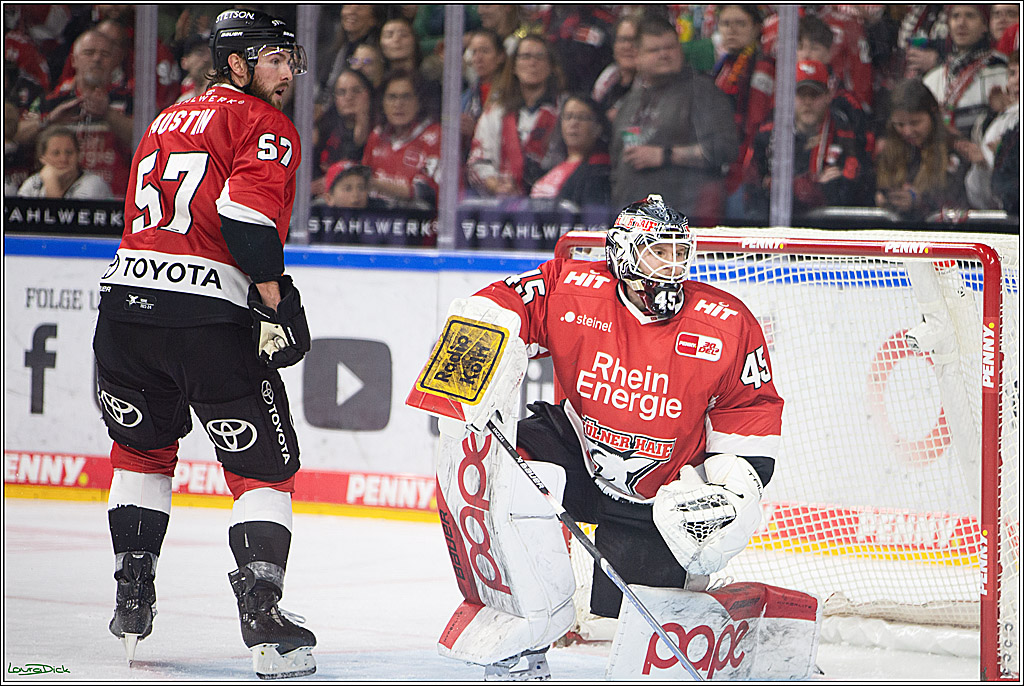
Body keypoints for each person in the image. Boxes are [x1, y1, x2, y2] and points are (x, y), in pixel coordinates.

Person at [423, 194, 781, 677]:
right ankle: (525, 633)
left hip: (661, 495)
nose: (673, 265)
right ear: (624, 253)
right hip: (578, 456)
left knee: (639, 632)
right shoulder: (573, 290)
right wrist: (476, 353)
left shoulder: (726, 321)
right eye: (659, 251)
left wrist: (734, 487)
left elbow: (750, 409)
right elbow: (501, 303)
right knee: (495, 470)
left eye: (680, 252)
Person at [92, 10, 316, 679]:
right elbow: (244, 218)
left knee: (141, 451)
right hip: (206, 321)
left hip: (124, 314)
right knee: (263, 472)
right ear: (238, 63)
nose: (287, 73)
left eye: (289, 59)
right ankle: (263, 613)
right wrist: (277, 296)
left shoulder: (165, 118)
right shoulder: (262, 124)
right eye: (274, 59)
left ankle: (132, 594)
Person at [610, 16, 738, 222]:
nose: (664, 55)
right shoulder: (629, 102)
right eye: (654, 50)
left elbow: (724, 148)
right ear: (637, 56)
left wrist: (666, 155)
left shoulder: (701, 92)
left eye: (670, 47)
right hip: (633, 225)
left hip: (683, 225)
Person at [747, 60, 867, 220]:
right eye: (801, 94)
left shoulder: (844, 133)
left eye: (814, 94)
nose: (808, 102)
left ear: (827, 96)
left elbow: (853, 189)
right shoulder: (767, 135)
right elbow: (752, 188)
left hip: (829, 228)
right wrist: (808, 185)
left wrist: (818, 189)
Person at [465, 34, 564, 197]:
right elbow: (477, 163)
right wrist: (496, 185)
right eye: (525, 57)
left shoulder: (564, 111)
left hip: (550, 205)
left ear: (551, 66)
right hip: (502, 207)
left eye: (540, 56)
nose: (533, 63)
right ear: (514, 66)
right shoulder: (495, 113)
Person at [38, 28, 134, 196]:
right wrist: (49, 121)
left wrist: (107, 114)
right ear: (74, 60)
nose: (97, 59)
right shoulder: (54, 100)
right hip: (61, 198)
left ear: (115, 61)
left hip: (114, 201)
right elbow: (16, 133)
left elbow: (144, 140)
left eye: (104, 54)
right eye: (89, 53)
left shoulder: (129, 99)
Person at [712, 5, 775, 219]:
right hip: (721, 166)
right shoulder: (723, 65)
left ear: (757, 28)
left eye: (740, 24)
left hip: (746, 170)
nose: (732, 30)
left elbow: (756, 122)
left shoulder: (763, 66)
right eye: (726, 24)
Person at [875, 78, 968, 220]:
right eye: (900, 124)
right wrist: (881, 198)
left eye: (915, 123)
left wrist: (919, 201)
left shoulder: (955, 148)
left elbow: (958, 200)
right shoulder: (889, 149)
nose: (907, 131)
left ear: (932, 113)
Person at [923, 4, 1008, 139]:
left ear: (985, 25)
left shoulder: (1002, 72)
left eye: (970, 16)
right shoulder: (932, 78)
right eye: (955, 16)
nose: (961, 23)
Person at [361, 70, 441, 209]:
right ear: (383, 103)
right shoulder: (377, 136)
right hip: (378, 221)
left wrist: (373, 184)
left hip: (419, 223)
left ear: (419, 101)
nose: (398, 104)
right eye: (392, 97)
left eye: (406, 97)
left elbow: (427, 192)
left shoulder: (435, 135)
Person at [961, 49, 1019, 208]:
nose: (1017, 80)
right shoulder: (1000, 123)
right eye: (1013, 73)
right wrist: (982, 166)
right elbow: (982, 200)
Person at [529, 95, 611, 207]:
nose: (573, 123)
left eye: (581, 117)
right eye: (568, 116)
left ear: (598, 127)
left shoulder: (600, 171)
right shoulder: (551, 165)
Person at [312, 67, 375, 197]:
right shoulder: (324, 128)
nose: (349, 97)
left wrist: (362, 123)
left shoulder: (381, 130)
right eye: (341, 92)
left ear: (369, 93)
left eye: (356, 91)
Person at [17, 124, 113, 198]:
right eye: (56, 153)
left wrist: (51, 182)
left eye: (69, 152)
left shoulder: (94, 184)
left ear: (78, 155)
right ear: (42, 158)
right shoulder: (32, 183)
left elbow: (64, 220)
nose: (63, 159)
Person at [460, 28, 507, 161]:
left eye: (485, 51)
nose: (478, 58)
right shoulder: (465, 98)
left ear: (500, 56)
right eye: (474, 52)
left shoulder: (510, 93)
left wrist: (476, 130)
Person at [592, 15, 641, 124]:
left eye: (634, 40)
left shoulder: (651, 85)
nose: (627, 46)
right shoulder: (606, 81)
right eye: (622, 40)